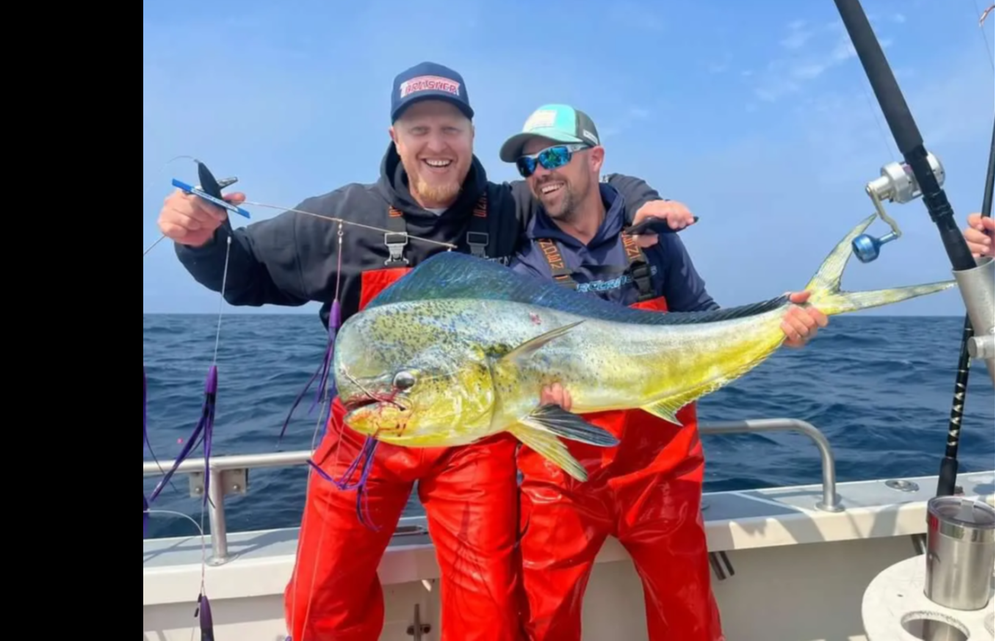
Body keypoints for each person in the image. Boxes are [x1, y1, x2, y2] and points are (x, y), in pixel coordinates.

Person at [155, 63, 693, 641]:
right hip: (365, 428)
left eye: (451, 129)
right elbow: (245, 273)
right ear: (395, 138)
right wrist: (202, 240)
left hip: (472, 431)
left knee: (488, 608)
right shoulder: (343, 213)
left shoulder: (511, 205)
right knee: (320, 596)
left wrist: (647, 199)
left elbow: (592, 187)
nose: (436, 145)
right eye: (419, 130)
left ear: (471, 136)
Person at [499, 104, 828, 641]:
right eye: (529, 164)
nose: (541, 172)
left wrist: (776, 325)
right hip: (562, 475)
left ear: (595, 159)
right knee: (544, 619)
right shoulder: (518, 254)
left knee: (688, 619)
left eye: (554, 155)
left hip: (659, 472)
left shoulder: (651, 237)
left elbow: (704, 321)